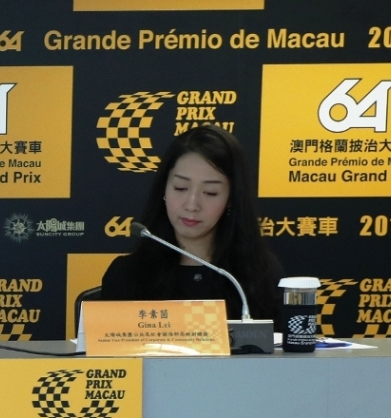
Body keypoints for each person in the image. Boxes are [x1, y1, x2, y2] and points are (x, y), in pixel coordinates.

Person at [99, 125, 282, 318]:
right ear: (164, 189)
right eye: (180, 188)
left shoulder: (260, 275)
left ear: (231, 199)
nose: (192, 205)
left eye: (210, 192)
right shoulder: (127, 275)